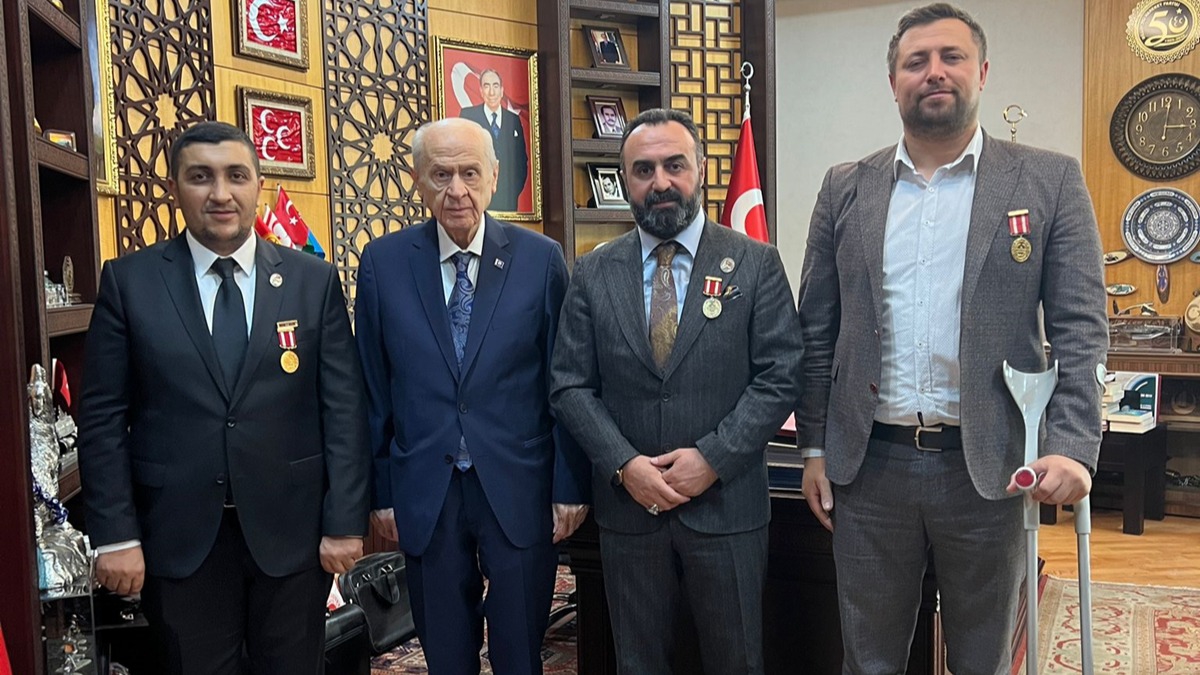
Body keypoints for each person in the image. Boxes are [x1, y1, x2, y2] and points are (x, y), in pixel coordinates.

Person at [795, 4, 1108, 673]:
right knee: (868, 660)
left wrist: (1072, 445)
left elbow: (1081, 327)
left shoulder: (1049, 180)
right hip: (869, 470)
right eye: (916, 62)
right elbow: (817, 329)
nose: (934, 72)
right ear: (894, 83)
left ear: (982, 72)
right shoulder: (846, 187)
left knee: (981, 658)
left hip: (990, 468)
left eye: (951, 57)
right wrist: (815, 447)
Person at [77, 121, 370, 673]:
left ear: (258, 183)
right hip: (178, 539)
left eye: (236, 175)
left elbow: (344, 411)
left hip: (293, 537)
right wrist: (114, 535)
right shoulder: (130, 282)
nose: (220, 193)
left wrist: (345, 521)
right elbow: (102, 418)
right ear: (174, 187)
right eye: (200, 177)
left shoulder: (313, 281)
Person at [550, 108, 802, 674]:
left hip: (727, 509)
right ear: (625, 180)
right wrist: (625, 466)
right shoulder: (592, 272)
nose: (660, 182)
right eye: (643, 170)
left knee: (737, 663)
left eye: (674, 165)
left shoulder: (755, 263)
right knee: (638, 665)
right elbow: (569, 385)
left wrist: (712, 458)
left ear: (701, 170)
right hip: (629, 514)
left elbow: (782, 373)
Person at [355, 117, 590, 674]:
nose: (456, 190)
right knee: (445, 654)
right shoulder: (383, 263)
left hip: (519, 484)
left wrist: (569, 484)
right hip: (425, 489)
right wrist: (380, 493)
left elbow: (566, 382)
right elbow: (372, 388)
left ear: (494, 177)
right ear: (417, 179)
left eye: (469, 173)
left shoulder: (541, 259)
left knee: (519, 652)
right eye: (440, 174)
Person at [459, 69, 529, 212]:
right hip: (477, 201)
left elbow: (522, 161)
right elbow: (461, 158)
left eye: (495, 86)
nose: (491, 92)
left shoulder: (513, 120)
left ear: (502, 91)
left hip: (508, 202)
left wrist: (512, 192)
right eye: (487, 86)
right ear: (481, 91)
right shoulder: (468, 116)